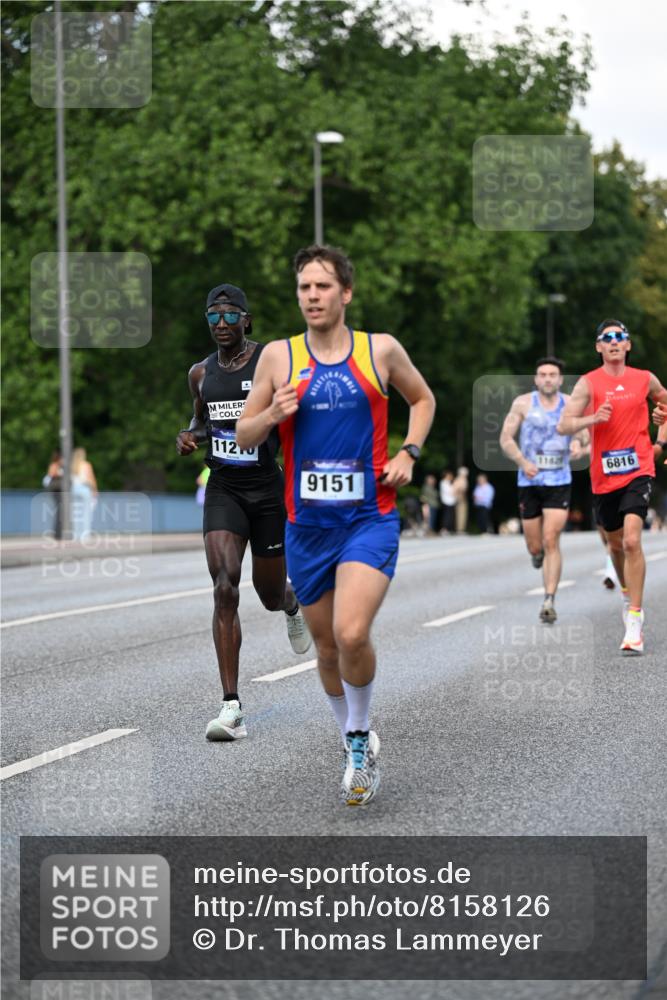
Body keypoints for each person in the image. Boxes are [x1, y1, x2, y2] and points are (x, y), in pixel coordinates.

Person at [236, 244, 435, 806]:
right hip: (306, 527)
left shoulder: (380, 351)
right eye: (304, 288)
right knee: (325, 648)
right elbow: (244, 435)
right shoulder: (278, 357)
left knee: (352, 633)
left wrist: (410, 452)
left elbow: (422, 400)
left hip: (369, 518)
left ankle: (358, 736)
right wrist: (272, 414)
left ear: (345, 293)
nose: (312, 297)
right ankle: (354, 736)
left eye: (322, 287)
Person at [176, 282, 311, 742]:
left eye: (230, 315)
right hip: (224, 490)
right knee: (224, 586)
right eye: (213, 316)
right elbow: (201, 419)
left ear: (246, 320)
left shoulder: (267, 362)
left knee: (268, 594)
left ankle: (292, 602)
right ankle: (231, 707)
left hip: (268, 491)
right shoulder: (200, 373)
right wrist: (190, 436)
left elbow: (295, 413)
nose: (221, 324)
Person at [557, 319, 667, 654]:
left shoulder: (644, 379)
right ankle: (625, 593)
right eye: (608, 338)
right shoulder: (589, 384)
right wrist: (592, 419)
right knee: (616, 547)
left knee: (633, 540)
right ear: (599, 347)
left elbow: (665, 403)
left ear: (628, 345)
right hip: (604, 476)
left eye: (620, 337)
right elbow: (564, 424)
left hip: (639, 468)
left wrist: (661, 437)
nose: (615, 342)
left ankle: (634, 619)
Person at [499, 357, 586, 623]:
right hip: (529, 481)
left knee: (552, 539)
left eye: (552, 374)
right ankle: (536, 555)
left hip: (559, 480)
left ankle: (549, 599)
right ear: (536, 379)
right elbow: (505, 438)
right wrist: (522, 462)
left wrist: (578, 445)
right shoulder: (523, 404)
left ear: (560, 379)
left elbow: (584, 433)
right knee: (535, 544)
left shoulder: (571, 404)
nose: (547, 378)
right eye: (542, 374)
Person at [70, 447, 98, 541]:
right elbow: (91, 478)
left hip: (73, 490)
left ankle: (76, 535)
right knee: (86, 513)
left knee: (76, 514)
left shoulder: (72, 466)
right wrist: (95, 490)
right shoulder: (86, 465)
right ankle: (85, 535)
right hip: (84, 490)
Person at [42, 447, 64, 539]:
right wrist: (59, 474)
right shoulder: (54, 466)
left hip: (59, 491)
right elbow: (51, 475)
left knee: (60, 512)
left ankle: (59, 533)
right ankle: (57, 534)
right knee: (59, 512)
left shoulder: (60, 467)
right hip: (56, 491)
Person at [438, 470, 457, 534]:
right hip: (446, 501)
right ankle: (444, 529)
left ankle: (448, 529)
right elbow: (450, 492)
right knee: (446, 516)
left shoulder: (449, 483)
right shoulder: (443, 482)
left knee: (451, 516)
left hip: (451, 502)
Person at [452, 466, 469, 533]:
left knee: (462, 514)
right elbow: (456, 489)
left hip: (461, 497)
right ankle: (460, 529)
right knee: (460, 514)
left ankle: (461, 529)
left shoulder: (461, 479)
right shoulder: (460, 480)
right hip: (460, 497)